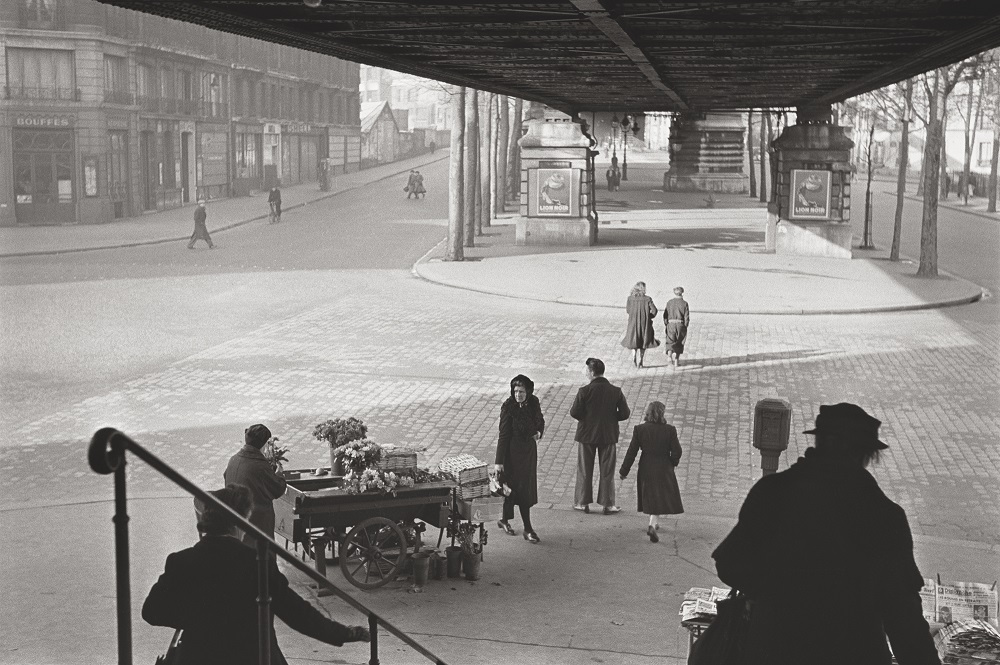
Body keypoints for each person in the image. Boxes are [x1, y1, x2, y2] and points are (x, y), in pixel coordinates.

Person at [711, 403, 940, 665]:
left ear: (818, 442)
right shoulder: (885, 516)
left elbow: (729, 565)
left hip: (773, 649)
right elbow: (904, 621)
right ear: (865, 455)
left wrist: (776, 590)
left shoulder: (771, 493)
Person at [142, 484, 370, 665]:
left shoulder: (180, 562)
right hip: (253, 657)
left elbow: (152, 612)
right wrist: (347, 633)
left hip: (198, 657)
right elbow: (297, 614)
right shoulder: (257, 563)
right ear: (239, 523)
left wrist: (200, 620)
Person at [570, 357, 631, 514]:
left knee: (584, 469)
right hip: (608, 435)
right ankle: (608, 504)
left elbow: (574, 412)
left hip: (586, 435)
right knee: (607, 471)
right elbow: (625, 413)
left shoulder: (584, 391)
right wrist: (610, 418)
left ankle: (582, 503)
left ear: (591, 372)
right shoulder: (615, 391)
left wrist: (588, 418)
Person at [618, 401, 683, 543]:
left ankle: (653, 523)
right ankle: (652, 524)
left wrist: (624, 471)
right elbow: (677, 451)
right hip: (664, 467)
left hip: (646, 466)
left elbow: (631, 452)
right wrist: (672, 462)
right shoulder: (670, 430)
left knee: (652, 495)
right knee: (659, 496)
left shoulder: (639, 429)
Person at [494, 374, 545, 543]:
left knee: (525, 490)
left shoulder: (534, 402)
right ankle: (518, 525)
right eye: (515, 391)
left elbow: (539, 420)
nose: (518, 395)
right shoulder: (509, 408)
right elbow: (503, 435)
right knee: (511, 490)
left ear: (528, 391)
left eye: (521, 391)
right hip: (512, 455)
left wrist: (538, 432)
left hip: (528, 454)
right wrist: (499, 462)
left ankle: (517, 524)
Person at [224, 424, 287, 544]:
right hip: (257, 521)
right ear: (262, 445)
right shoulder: (259, 466)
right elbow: (278, 489)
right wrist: (279, 474)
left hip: (235, 517)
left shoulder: (233, 459)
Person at [620, 281, 659, 368]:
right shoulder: (648, 299)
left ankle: (634, 356)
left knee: (634, 340)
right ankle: (641, 360)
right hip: (644, 323)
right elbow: (655, 311)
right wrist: (648, 317)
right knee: (643, 341)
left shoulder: (630, 298)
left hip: (633, 323)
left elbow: (628, 311)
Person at [663, 286, 690, 367]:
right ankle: (676, 360)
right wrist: (685, 326)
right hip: (680, 324)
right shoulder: (685, 303)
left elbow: (665, 315)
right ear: (682, 293)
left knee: (670, 340)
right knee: (679, 341)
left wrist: (666, 323)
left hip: (671, 324)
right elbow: (686, 317)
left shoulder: (669, 302)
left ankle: (669, 356)